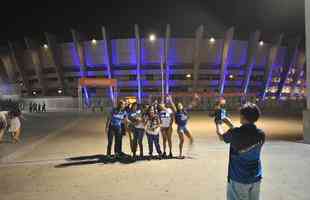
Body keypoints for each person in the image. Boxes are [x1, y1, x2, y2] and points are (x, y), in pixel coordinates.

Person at [215, 103, 265, 200]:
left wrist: (218, 123)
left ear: (243, 116)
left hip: (239, 178)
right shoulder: (261, 134)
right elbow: (241, 135)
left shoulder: (236, 133)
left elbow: (221, 136)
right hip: (255, 178)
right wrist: (230, 124)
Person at [168, 94, 200, 159]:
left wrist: (195, 99)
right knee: (182, 140)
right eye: (179, 105)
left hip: (185, 126)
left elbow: (191, 104)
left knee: (191, 139)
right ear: (177, 107)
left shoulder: (185, 110)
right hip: (180, 128)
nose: (180, 106)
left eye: (181, 105)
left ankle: (189, 152)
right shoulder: (176, 112)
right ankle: (180, 154)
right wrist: (170, 99)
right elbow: (173, 105)